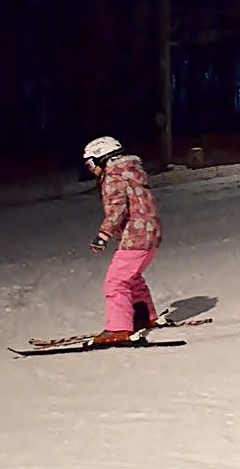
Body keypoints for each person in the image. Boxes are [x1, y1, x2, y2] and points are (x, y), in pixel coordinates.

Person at [83, 136, 163, 344]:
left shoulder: (113, 175)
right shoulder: (132, 171)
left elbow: (117, 209)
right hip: (151, 234)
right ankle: (144, 316)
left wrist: (103, 235)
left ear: (102, 157)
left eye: (90, 163)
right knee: (132, 276)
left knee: (116, 282)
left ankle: (118, 329)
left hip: (135, 236)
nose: (91, 169)